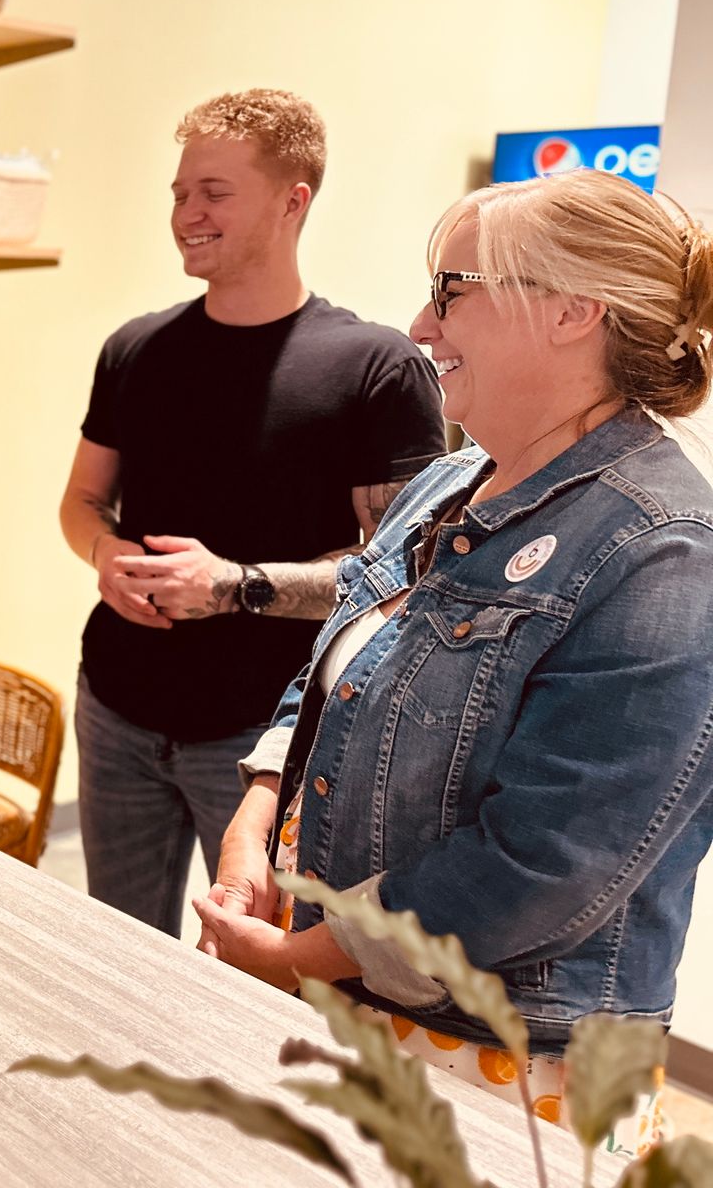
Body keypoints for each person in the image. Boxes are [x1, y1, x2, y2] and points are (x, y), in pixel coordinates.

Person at [199, 170, 713, 1152]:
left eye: (451, 292)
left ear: (574, 311)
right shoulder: (445, 480)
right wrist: (255, 821)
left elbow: (548, 863)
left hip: (497, 1061)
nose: (421, 329)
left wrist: (304, 953)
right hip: (338, 993)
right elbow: (332, 674)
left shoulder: (668, 552)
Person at [58, 90, 444, 936]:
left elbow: (406, 575)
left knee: (256, 974)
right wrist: (104, 553)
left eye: (214, 193)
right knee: (111, 951)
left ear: (292, 200)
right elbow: (82, 501)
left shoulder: (376, 368)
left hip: (266, 743)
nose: (187, 213)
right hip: (117, 706)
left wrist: (235, 585)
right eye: (178, 192)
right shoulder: (135, 349)